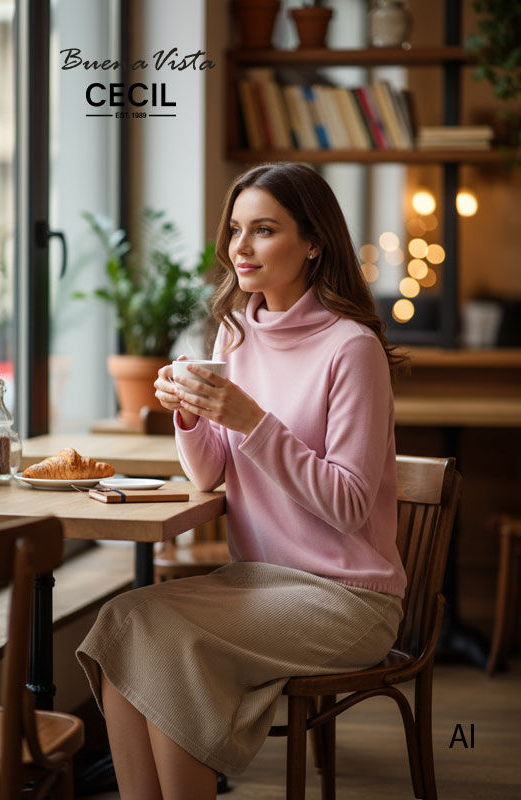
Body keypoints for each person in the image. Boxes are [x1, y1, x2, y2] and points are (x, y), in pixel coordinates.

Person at [77, 162, 407, 800]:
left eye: (263, 229)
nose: (240, 248)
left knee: (168, 638)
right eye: (235, 230)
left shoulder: (351, 348)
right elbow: (208, 474)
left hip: (348, 599)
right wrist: (188, 411)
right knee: (120, 623)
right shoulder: (233, 335)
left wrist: (250, 419)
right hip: (258, 582)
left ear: (313, 242)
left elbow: (349, 504)